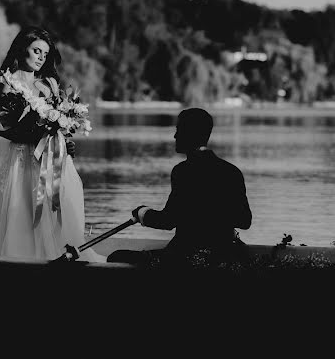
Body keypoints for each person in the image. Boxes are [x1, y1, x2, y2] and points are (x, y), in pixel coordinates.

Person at [0, 26, 99, 262]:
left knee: (57, 208)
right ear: (22, 48)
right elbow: (2, 129)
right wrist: (31, 135)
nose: (41, 58)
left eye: (44, 54)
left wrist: (64, 140)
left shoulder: (50, 84)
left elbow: (59, 121)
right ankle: (21, 259)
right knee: (23, 210)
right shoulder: (9, 84)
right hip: (23, 158)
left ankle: (60, 253)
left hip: (53, 157)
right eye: (36, 51)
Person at [108, 108, 252, 265]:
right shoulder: (232, 171)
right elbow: (245, 221)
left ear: (189, 133)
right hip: (224, 255)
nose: (175, 136)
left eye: (179, 130)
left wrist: (142, 212)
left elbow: (168, 221)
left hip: (186, 258)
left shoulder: (183, 171)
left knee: (116, 256)